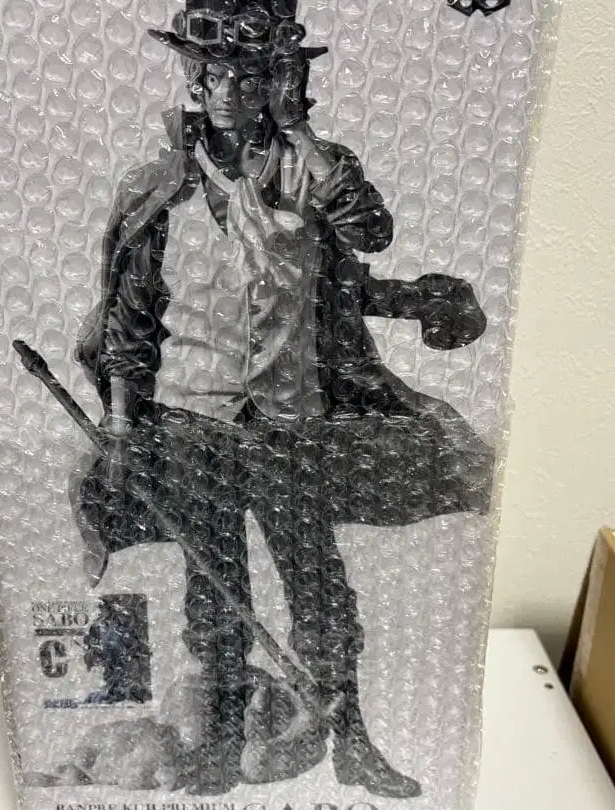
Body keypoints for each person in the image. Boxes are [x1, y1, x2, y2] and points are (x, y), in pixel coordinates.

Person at [75, 0, 494, 798]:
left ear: (274, 81)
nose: (226, 93)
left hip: (287, 422)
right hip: (191, 423)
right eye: (212, 76)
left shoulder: (310, 169)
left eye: (247, 77)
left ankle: (353, 743)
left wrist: (298, 128)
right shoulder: (162, 190)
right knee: (212, 586)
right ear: (192, 79)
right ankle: (218, 744)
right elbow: (129, 323)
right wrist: (122, 427)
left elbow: (369, 232)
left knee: (318, 585)